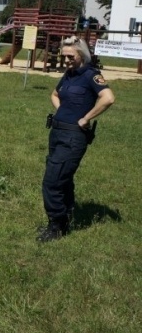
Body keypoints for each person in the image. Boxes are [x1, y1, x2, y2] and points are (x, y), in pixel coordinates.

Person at [37, 36, 115, 242]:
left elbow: (108, 98)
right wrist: (62, 109)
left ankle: (56, 225)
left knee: (52, 181)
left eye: (70, 56)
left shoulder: (91, 75)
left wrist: (86, 118)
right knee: (63, 179)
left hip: (74, 137)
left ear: (82, 55)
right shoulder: (69, 75)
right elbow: (54, 94)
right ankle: (67, 215)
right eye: (64, 57)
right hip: (57, 132)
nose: (67, 60)